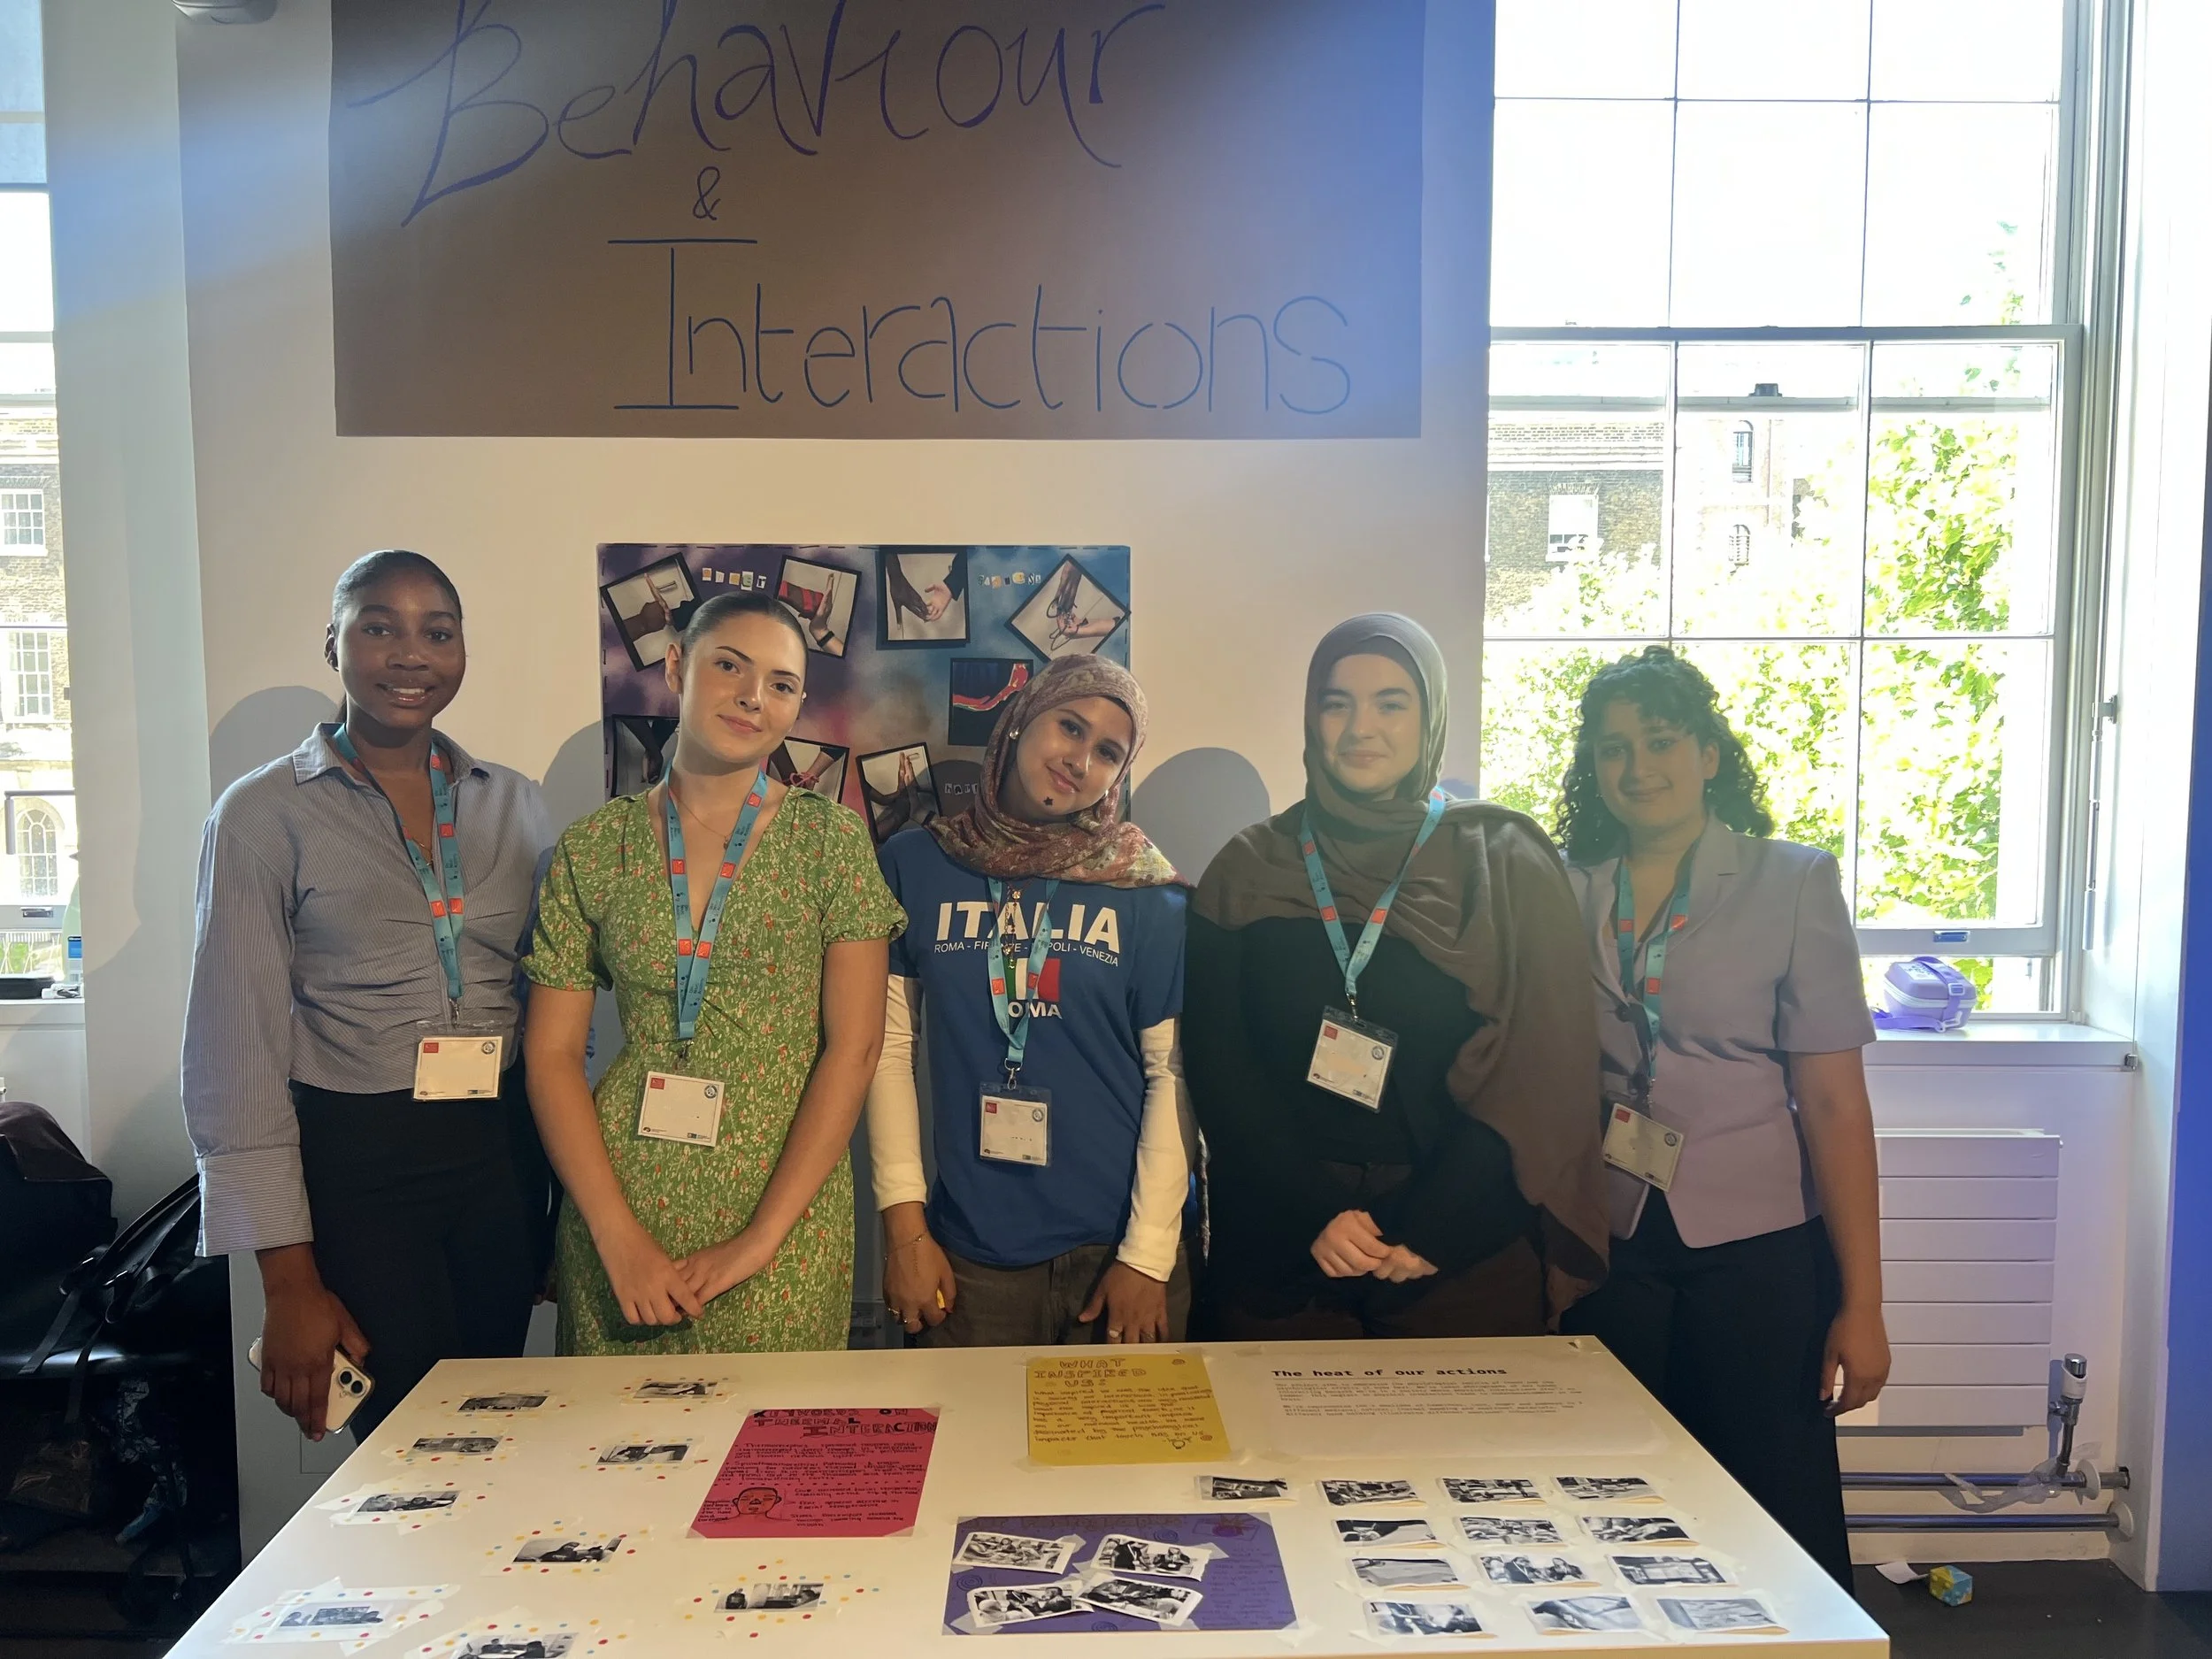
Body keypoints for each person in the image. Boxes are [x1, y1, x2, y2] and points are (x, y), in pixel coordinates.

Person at [181, 549, 557, 1439]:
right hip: (359, 1164)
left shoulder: (517, 806)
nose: (411, 653)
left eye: (438, 632)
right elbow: (233, 1056)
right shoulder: (261, 814)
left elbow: (554, 1003)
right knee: (406, 1449)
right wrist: (287, 1281)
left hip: (501, 1156)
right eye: (380, 627)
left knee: (496, 1426)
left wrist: (563, 1201)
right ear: (334, 643)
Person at [1554, 645, 1886, 1593]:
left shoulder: (1792, 881)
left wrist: (1863, 1303)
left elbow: (1834, 1103)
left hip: (1758, 1249)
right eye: (1613, 748)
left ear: (1708, 754)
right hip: (1612, 1241)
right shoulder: (1568, 887)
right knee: (1620, 1501)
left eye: (1660, 741)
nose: (1637, 767)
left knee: (1770, 1504)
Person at [1185, 613, 1608, 1339]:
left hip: (1460, 1254)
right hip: (1284, 1247)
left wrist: (1435, 1228)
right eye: (1337, 702)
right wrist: (1314, 1212)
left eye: (1391, 703)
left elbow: (1543, 1068)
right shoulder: (1249, 866)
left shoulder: (1501, 860)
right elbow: (1221, 1062)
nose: (1361, 727)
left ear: (1430, 716)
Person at [524, 591, 902, 1354]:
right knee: (614, 1429)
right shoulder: (594, 846)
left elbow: (856, 1048)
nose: (753, 696)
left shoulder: (829, 842)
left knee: (775, 1432)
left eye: (781, 683)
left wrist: (759, 1241)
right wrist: (615, 1235)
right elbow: (552, 1053)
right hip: (621, 1217)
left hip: (781, 1223)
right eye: (729, 665)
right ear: (676, 666)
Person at [864, 655, 1193, 1345]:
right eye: (1070, 727)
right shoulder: (915, 864)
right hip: (967, 1256)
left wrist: (1147, 1257)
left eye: (1109, 752)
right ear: (1019, 721)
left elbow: (1172, 1076)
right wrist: (904, 1229)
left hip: (1118, 1255)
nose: (1081, 759)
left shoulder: (1143, 889)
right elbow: (887, 1052)